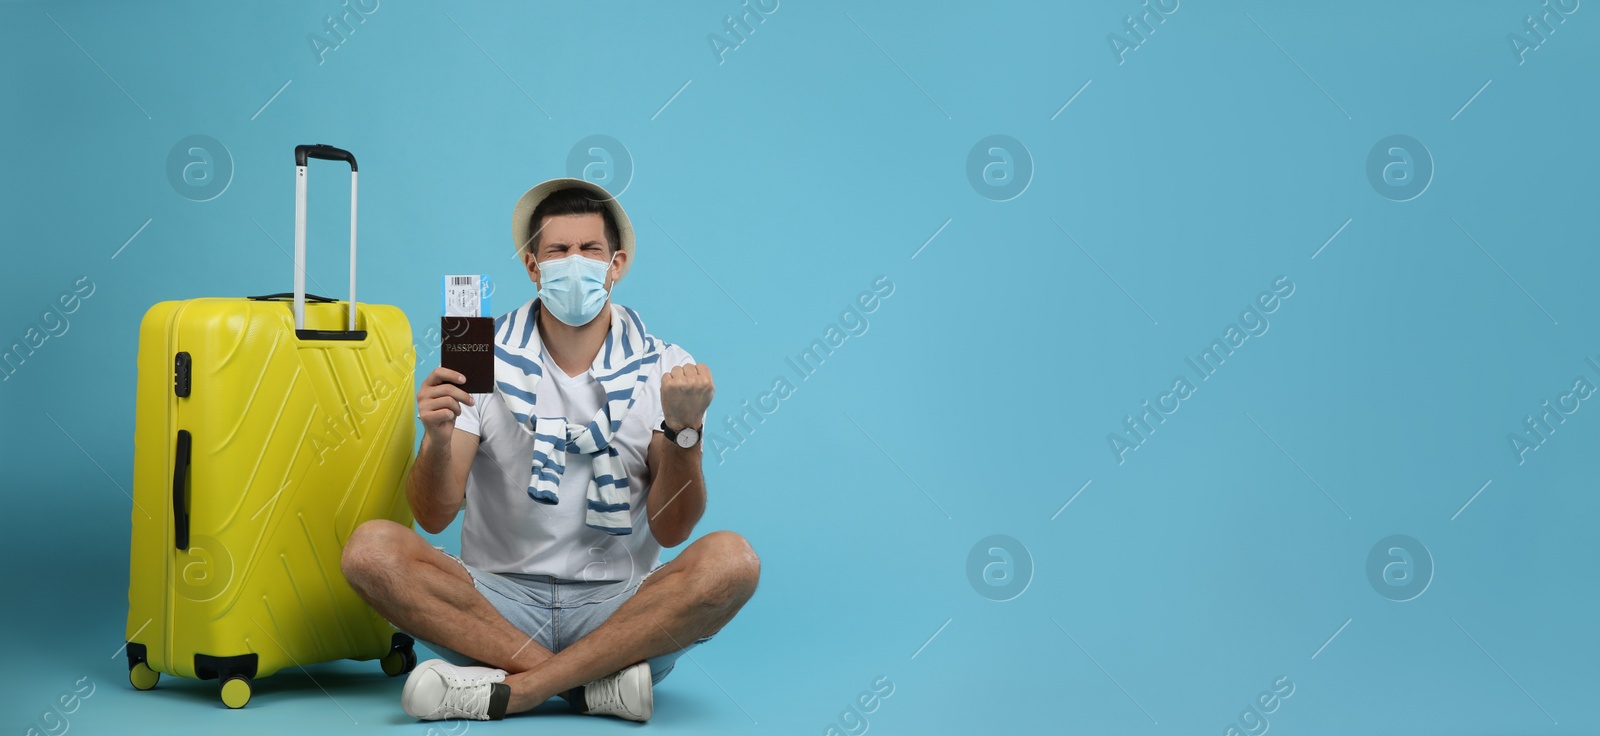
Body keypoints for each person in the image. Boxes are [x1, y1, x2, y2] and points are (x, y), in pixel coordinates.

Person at [340, 178, 760, 722]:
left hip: (619, 610)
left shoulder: (664, 365)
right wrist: (439, 438)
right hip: (493, 609)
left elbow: (672, 530)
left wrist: (685, 434)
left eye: (590, 249)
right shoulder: (478, 348)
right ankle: (587, 687)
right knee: (370, 549)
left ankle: (516, 690)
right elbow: (433, 513)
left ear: (617, 264)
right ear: (533, 266)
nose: (575, 262)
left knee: (732, 560)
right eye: (558, 251)